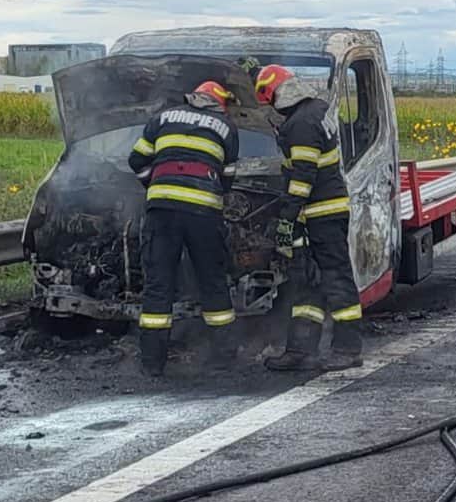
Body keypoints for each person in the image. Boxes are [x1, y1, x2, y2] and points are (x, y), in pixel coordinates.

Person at [252, 63, 363, 372]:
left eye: (271, 100)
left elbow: (302, 176)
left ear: (280, 94)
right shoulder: (316, 111)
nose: (273, 108)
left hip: (321, 213)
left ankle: (348, 348)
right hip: (317, 212)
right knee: (308, 283)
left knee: (335, 278)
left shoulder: (301, 123)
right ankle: (301, 348)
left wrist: (286, 216)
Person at [127, 80, 240, 376]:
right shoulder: (226, 127)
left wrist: (153, 183)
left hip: (162, 209)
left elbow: (136, 159)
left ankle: (152, 364)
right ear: (218, 104)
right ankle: (224, 356)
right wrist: (218, 191)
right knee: (212, 280)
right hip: (203, 212)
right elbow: (228, 175)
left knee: (158, 285)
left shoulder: (163, 118)